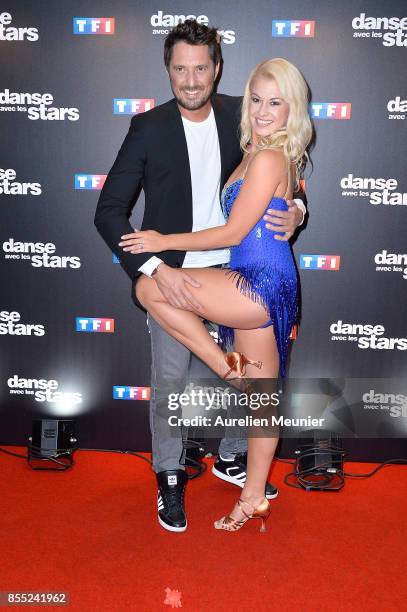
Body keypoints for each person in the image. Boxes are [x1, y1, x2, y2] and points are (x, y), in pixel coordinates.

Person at [94, 20, 307, 533]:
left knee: (254, 394)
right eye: (179, 69)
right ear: (168, 70)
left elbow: (279, 181)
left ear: (216, 69)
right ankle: (171, 474)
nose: (191, 80)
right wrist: (154, 265)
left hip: (236, 271)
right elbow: (109, 212)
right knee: (176, 383)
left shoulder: (245, 115)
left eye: (201, 68)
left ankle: (236, 464)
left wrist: (297, 207)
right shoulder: (148, 127)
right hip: (178, 273)